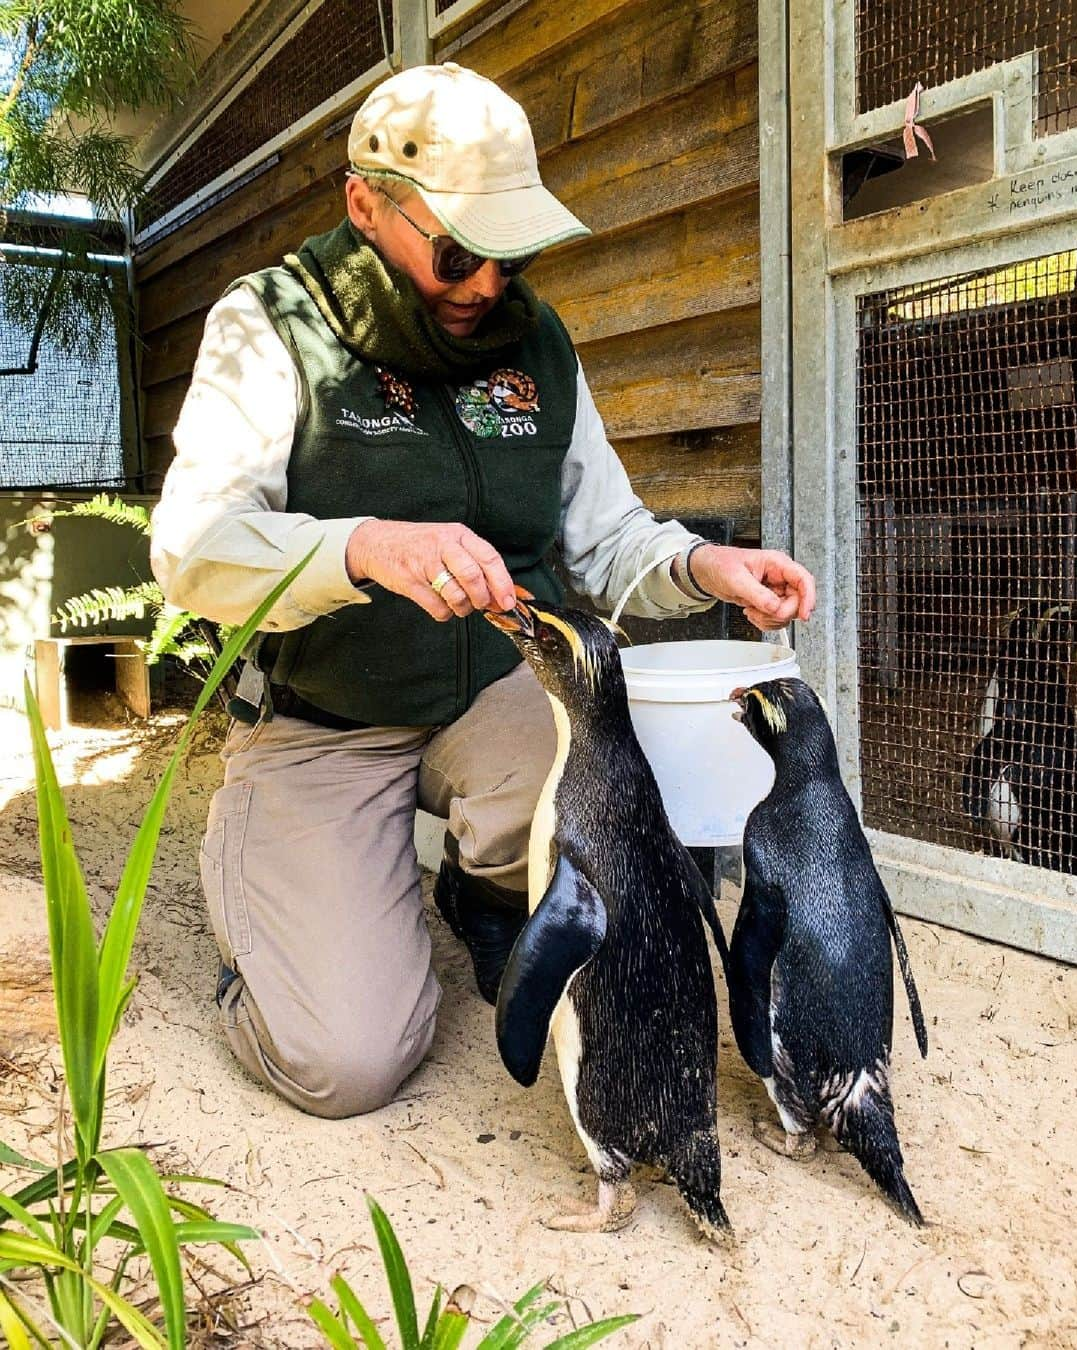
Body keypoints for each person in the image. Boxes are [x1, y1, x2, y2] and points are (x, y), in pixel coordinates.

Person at [150, 62, 815, 1120]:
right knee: (343, 1060)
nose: (484, 285)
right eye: (457, 251)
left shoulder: (537, 343)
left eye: (509, 254)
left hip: (503, 685)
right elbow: (191, 552)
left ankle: (483, 882)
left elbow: (607, 539)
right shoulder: (270, 323)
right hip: (329, 715)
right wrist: (361, 548)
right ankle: (273, 892)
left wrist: (703, 569)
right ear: (365, 205)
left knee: (636, 861)